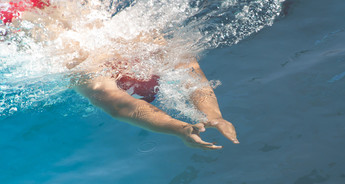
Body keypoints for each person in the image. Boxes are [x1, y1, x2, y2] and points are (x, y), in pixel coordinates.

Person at [1, 0, 239, 150]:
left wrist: (193, 123)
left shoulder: (91, 65)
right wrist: (207, 117)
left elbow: (189, 74)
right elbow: (122, 106)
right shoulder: (139, 40)